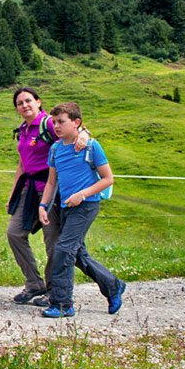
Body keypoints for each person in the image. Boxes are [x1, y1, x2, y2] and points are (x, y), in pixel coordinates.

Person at [37, 102, 125, 318]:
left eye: (61, 122)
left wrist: (83, 194)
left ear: (76, 123)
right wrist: (43, 206)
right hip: (66, 206)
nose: (56, 126)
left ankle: (62, 304)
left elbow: (108, 178)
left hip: (86, 205)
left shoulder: (91, 146)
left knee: (64, 249)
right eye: (54, 122)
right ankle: (113, 286)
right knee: (76, 254)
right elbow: (51, 183)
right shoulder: (56, 149)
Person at [7, 87, 88, 306]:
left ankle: (54, 291)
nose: (24, 105)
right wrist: (14, 191)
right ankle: (34, 283)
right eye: (19, 103)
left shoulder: (48, 123)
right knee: (14, 233)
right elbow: (23, 163)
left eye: (28, 100)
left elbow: (74, 130)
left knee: (52, 239)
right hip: (30, 189)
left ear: (38, 102)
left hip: (51, 188)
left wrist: (84, 134)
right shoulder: (23, 130)